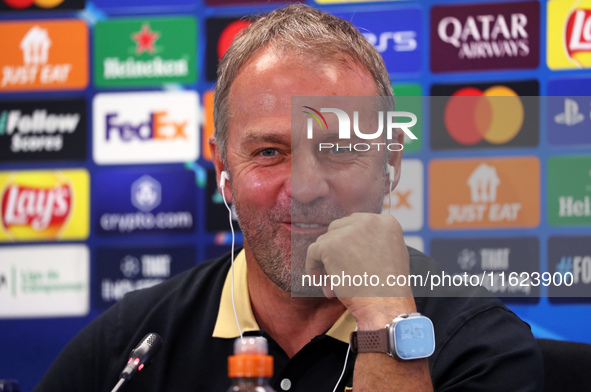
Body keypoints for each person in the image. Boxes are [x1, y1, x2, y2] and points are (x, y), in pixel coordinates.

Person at [35, 4, 543, 391]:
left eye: (339, 149)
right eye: (270, 151)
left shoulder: (480, 344)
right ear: (223, 169)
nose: (303, 186)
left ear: (389, 166)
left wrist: (387, 323)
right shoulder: (130, 348)